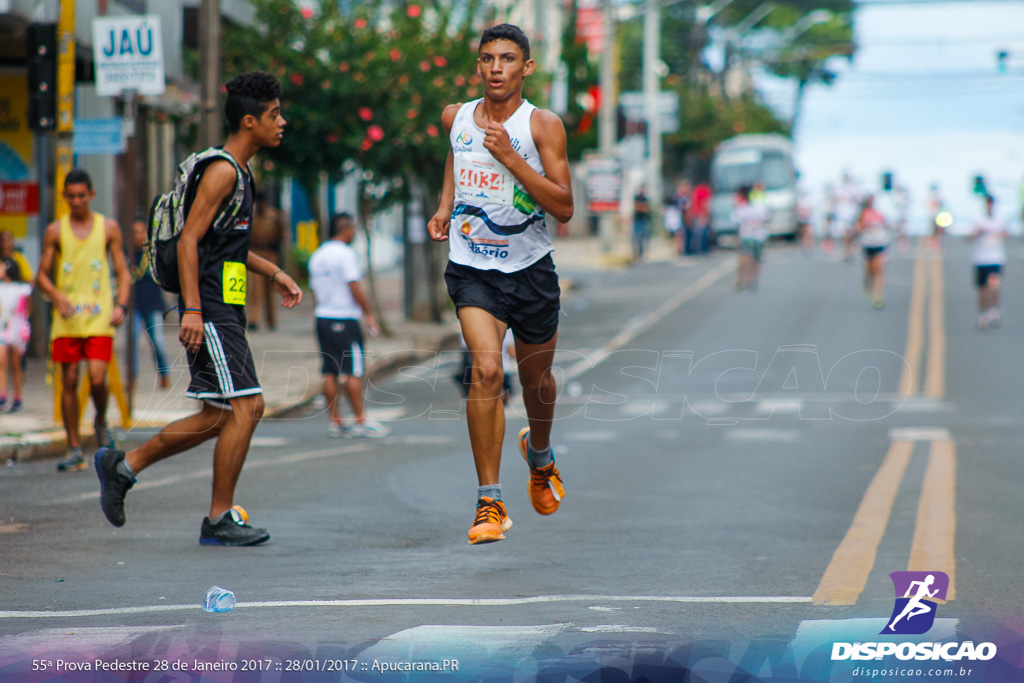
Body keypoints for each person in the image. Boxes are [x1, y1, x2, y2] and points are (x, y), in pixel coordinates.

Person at [93, 71, 301, 546]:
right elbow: (188, 242)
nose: (281, 122)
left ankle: (122, 466)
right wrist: (191, 310)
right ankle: (218, 517)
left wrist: (273, 272)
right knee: (248, 407)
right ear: (249, 121)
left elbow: (223, 247)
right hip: (209, 310)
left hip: (220, 306)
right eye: (273, 115)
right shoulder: (224, 170)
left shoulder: (240, 173)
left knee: (217, 416)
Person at [427, 24, 573, 544]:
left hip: (531, 270)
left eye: (507, 59)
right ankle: (489, 502)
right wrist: (446, 204)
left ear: (526, 68)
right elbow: (456, 155)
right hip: (473, 267)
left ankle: (540, 454)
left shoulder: (543, 126)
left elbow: (563, 207)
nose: (495, 68)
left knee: (536, 383)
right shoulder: (457, 117)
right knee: (486, 370)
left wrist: (512, 158)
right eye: (487, 58)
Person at [35, 170, 131, 472]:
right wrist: (56, 295)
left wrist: (122, 306)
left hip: (99, 317)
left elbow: (124, 272)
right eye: (71, 196)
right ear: (64, 196)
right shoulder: (55, 231)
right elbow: (40, 275)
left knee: (98, 377)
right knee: (70, 380)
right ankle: (74, 446)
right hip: (67, 320)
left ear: (92, 194)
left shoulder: (108, 228)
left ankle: (101, 420)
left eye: (81, 195)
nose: (76, 201)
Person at [308, 212, 389, 438]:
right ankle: (360, 420)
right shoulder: (346, 255)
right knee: (353, 371)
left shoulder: (317, 255)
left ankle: (336, 421)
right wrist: (369, 314)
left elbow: (315, 290)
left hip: (322, 318)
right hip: (344, 318)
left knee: (330, 370)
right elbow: (354, 286)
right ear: (347, 229)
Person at [130, 221, 170, 392]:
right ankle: (131, 377)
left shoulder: (152, 253)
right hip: (134, 306)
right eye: (134, 232)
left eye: (140, 232)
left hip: (153, 304)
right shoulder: (127, 253)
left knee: (157, 342)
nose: (138, 236)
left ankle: (164, 373)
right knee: (132, 343)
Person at [0, 231, 33, 412]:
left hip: (16, 327)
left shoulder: (19, 261)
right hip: (3, 328)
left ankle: (18, 397)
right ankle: (2, 395)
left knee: (16, 364)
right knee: (1, 361)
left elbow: (29, 291)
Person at [246, 191, 285, 331]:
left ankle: (271, 320)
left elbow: (281, 235)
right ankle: (253, 319)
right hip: (255, 252)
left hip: (270, 253)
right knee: (255, 289)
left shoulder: (274, 216)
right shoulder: (250, 215)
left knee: (270, 290)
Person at [968, 194, 1007, 330]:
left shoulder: (999, 220)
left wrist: (1002, 234)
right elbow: (969, 237)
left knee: (994, 284)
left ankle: (994, 312)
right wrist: (978, 233)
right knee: (982, 289)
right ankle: (983, 314)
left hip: (996, 258)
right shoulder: (979, 220)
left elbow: (1006, 234)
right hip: (980, 259)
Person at [852, 194, 891, 309]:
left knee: (878, 270)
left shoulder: (880, 214)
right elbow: (857, 229)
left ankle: (878, 297)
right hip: (868, 245)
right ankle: (868, 281)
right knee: (869, 269)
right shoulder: (862, 215)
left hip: (880, 244)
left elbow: (886, 226)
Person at [733, 185, 769, 291]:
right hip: (749, 236)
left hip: (757, 236)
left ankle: (751, 280)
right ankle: (746, 280)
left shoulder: (758, 207)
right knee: (747, 258)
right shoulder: (743, 208)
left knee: (754, 259)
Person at [632, 187, 650, 262]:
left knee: (643, 238)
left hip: (643, 220)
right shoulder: (636, 198)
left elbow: (647, 209)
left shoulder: (645, 199)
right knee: (637, 237)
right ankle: (636, 254)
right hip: (638, 220)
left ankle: (641, 253)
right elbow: (638, 208)